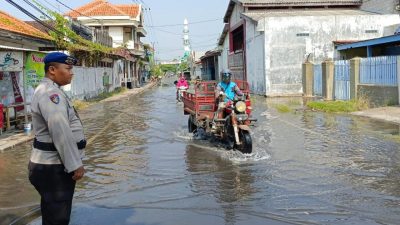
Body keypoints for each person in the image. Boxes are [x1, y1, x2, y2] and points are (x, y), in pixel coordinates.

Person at [28, 52, 86, 225]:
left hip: (51, 166)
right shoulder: (50, 94)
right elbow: (60, 131)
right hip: (53, 168)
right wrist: (75, 164)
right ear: (52, 70)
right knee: (58, 218)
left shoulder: (53, 91)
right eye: (67, 68)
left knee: (52, 213)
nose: (71, 72)